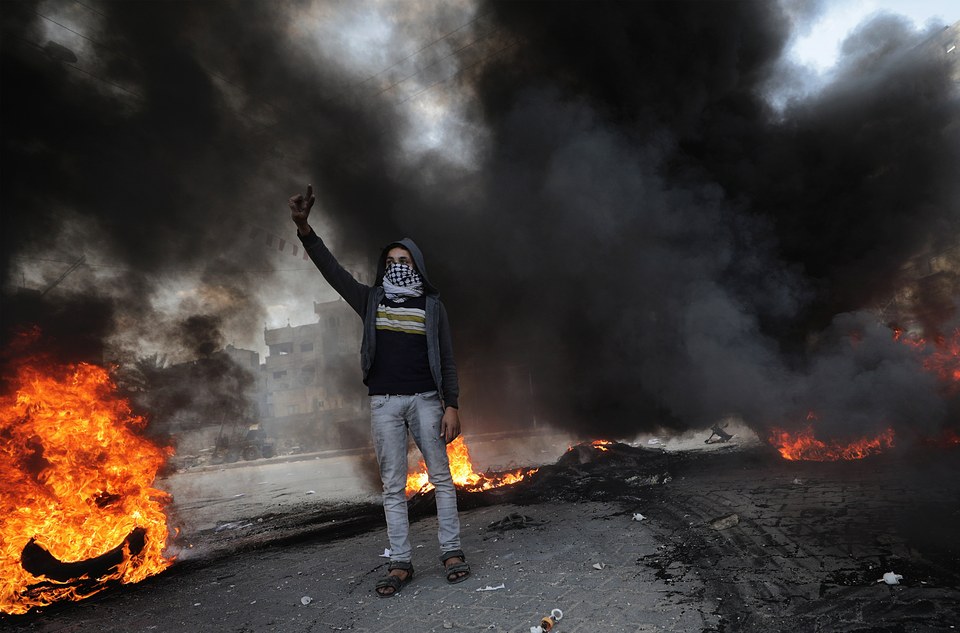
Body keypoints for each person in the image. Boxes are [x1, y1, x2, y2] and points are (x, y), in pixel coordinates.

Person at [288, 184, 470, 597]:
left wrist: (452, 405)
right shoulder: (371, 300)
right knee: (392, 486)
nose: (397, 266)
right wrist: (304, 229)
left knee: (441, 478)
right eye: (390, 261)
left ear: (417, 265)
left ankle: (452, 552)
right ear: (382, 266)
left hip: (427, 400)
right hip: (385, 403)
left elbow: (447, 359)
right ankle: (401, 562)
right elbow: (332, 271)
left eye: (404, 261)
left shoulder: (432, 306)